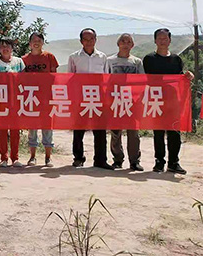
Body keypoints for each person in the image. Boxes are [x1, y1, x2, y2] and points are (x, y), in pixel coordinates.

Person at [143, 28, 194, 174]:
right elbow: (145, 79)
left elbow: (180, 78)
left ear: (170, 40)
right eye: (159, 38)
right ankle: (159, 162)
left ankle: (173, 163)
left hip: (173, 100)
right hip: (156, 99)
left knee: (174, 132)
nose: (162, 41)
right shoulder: (149, 59)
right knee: (158, 133)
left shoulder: (176, 59)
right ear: (155, 40)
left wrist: (188, 76)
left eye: (165, 38)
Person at [68, 28, 113, 170]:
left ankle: (100, 160)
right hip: (81, 97)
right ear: (81, 41)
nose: (89, 42)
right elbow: (70, 77)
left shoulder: (102, 57)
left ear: (96, 40)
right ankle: (78, 158)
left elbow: (106, 77)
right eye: (86, 39)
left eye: (91, 39)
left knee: (100, 130)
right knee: (79, 129)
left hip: (98, 97)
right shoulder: (74, 57)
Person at [105, 33, 145, 171]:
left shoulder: (137, 62)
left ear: (132, 45)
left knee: (133, 132)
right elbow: (105, 79)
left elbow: (142, 81)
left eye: (129, 42)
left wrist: (138, 99)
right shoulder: (110, 60)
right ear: (118, 44)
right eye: (123, 41)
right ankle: (117, 160)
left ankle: (134, 161)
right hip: (115, 99)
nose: (125, 44)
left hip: (132, 101)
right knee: (115, 132)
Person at [22, 32, 58, 167]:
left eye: (39, 40)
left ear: (43, 42)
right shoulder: (24, 59)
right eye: (33, 40)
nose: (36, 43)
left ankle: (48, 157)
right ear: (30, 43)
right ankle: (32, 157)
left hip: (47, 97)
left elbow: (54, 76)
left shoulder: (49, 57)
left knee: (47, 128)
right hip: (31, 98)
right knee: (32, 128)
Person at [0, 37, 25, 167]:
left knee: (15, 130)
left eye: (8, 46)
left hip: (15, 100)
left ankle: (15, 158)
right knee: (2, 130)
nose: (5, 49)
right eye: (2, 46)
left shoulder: (19, 62)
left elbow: (25, 79)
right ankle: (3, 157)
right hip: (0, 100)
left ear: (12, 48)